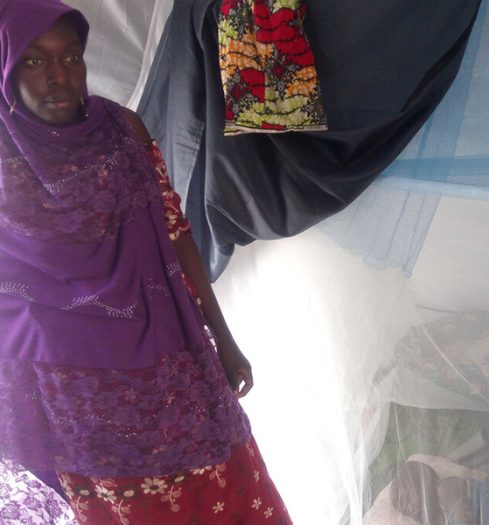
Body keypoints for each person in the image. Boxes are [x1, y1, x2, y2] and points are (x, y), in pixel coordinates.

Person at [0, 1, 292, 523]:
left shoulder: (121, 131)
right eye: (35, 61)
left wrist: (223, 339)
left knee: (226, 490)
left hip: (168, 359)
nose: (60, 76)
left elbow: (176, 236)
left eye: (71, 57)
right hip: (65, 387)